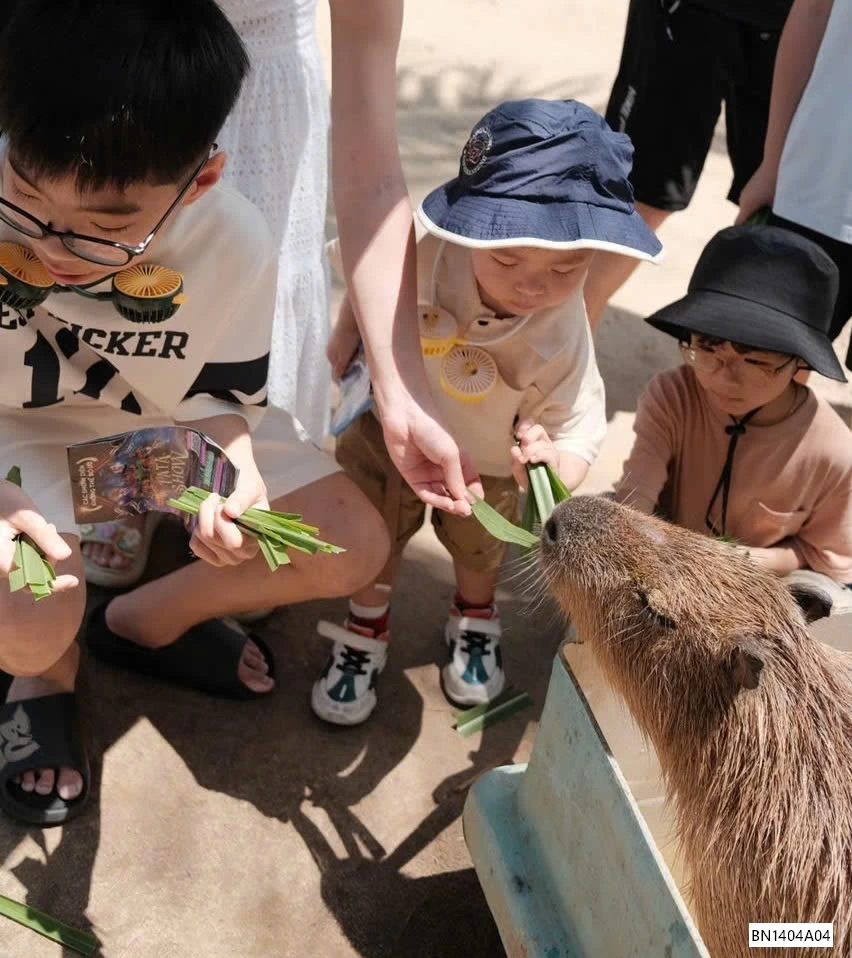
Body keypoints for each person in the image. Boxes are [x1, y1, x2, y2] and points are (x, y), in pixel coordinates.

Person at [0, 0, 388, 826]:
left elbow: (220, 401)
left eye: (106, 229)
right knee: (29, 622)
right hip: (14, 447)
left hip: (144, 445)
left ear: (202, 178)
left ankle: (140, 620)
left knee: (354, 545)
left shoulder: (235, 241)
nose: (54, 250)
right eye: (26, 200)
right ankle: (48, 664)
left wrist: (234, 471)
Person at [81, 0, 484, 588]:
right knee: (108, 301)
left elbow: (371, 173)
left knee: (233, 325)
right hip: (99, 82)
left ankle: (204, 497)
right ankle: (126, 483)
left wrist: (402, 393)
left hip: (260, 101)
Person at [314, 99, 662, 725]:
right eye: (506, 258)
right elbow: (375, 280)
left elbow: (580, 427)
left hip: (486, 463)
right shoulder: (426, 245)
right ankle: (365, 620)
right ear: (470, 225)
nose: (534, 284)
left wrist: (555, 462)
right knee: (373, 526)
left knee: (480, 550)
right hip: (385, 424)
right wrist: (348, 329)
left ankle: (474, 616)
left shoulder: (564, 333)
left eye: (566, 267)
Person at [614, 225, 852, 610]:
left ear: (799, 362)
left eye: (756, 360)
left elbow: (826, 556)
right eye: (706, 348)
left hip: (757, 592)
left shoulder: (833, 451)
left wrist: (745, 562)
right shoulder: (673, 395)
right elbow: (634, 499)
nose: (724, 378)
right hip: (661, 562)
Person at [583, 0, 793, 329]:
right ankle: (559, 352)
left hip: (806, 19)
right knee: (639, 192)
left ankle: (781, 375)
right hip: (686, 11)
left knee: (788, 216)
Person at [736, 0, 852, 377]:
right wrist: (773, 167)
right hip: (821, 187)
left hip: (818, 189)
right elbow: (813, 10)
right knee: (757, 378)